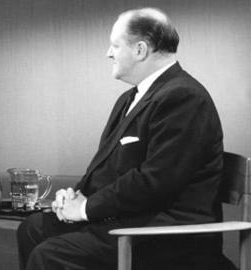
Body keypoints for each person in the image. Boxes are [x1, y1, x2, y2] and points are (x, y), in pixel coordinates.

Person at [17, 7, 234, 270]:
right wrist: (75, 195)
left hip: (169, 234)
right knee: (32, 228)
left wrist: (86, 209)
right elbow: (107, 167)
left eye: (115, 45)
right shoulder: (130, 98)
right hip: (130, 219)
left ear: (140, 50)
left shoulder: (184, 97)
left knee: (51, 255)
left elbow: (155, 181)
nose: (108, 53)